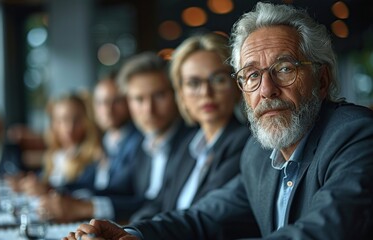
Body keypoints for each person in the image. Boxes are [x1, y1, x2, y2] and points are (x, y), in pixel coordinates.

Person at [65, 2, 373, 239]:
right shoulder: (258, 154)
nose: (266, 90)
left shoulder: (355, 135)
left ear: (321, 80)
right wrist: (133, 234)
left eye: (284, 69)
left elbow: (321, 233)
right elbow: (203, 218)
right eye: (252, 75)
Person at [39, 52, 192, 223]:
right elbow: (118, 189)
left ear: (176, 95)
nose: (149, 109)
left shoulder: (192, 144)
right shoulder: (146, 144)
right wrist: (58, 191)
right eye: (139, 99)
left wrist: (89, 207)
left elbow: (161, 204)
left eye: (159, 96)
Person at [130, 33, 250, 222]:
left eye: (218, 79)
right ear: (181, 94)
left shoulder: (245, 143)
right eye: (193, 83)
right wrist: (127, 231)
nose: (206, 92)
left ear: (236, 84)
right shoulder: (186, 145)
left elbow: (203, 218)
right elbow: (158, 203)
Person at [17, 93, 103, 196]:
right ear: (54, 124)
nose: (70, 127)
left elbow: (87, 191)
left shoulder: (95, 156)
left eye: (77, 120)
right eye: (63, 120)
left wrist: (49, 189)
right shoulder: (55, 156)